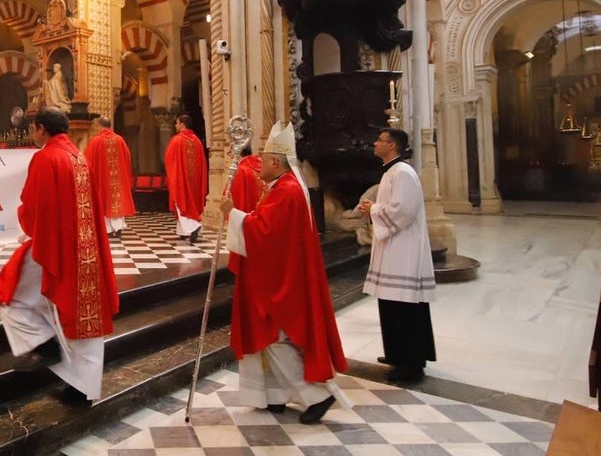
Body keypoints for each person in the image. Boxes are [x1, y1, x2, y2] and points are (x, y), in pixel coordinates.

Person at [0, 107, 120, 405]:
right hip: (84, 249)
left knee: (8, 293)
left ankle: (43, 344)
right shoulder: (78, 156)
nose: (33, 133)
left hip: (55, 248)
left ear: (41, 128)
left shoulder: (46, 157)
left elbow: (35, 206)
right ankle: (82, 387)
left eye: (34, 128)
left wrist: (28, 226)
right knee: (82, 316)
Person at [220, 122, 347, 424]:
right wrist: (242, 218)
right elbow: (266, 226)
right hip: (275, 273)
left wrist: (232, 215)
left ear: (275, 162)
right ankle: (273, 395)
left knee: (272, 339)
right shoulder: (281, 188)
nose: (259, 165)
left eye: (263, 160)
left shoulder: (287, 191)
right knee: (270, 339)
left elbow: (264, 232)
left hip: (279, 280)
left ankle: (318, 396)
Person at [357, 127, 436, 383]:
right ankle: (397, 354)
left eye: (380, 140)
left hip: (404, 251)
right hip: (394, 249)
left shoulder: (402, 173)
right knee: (392, 305)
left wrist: (374, 209)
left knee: (404, 308)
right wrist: (373, 209)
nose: (375, 143)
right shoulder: (393, 171)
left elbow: (403, 210)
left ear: (392, 146)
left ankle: (411, 364)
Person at [84, 117, 135, 238]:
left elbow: (87, 161)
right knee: (117, 199)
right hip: (117, 179)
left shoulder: (95, 141)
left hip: (103, 179)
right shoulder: (120, 140)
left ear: (99, 126)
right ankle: (118, 228)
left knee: (104, 201)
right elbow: (128, 158)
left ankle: (108, 230)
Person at [164, 113, 208, 243]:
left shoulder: (177, 140)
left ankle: (194, 227)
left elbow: (168, 158)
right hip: (195, 181)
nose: (175, 126)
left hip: (181, 179)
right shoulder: (197, 141)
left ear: (182, 125)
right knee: (191, 203)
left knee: (182, 203)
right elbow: (202, 163)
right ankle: (183, 231)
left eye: (177, 123)